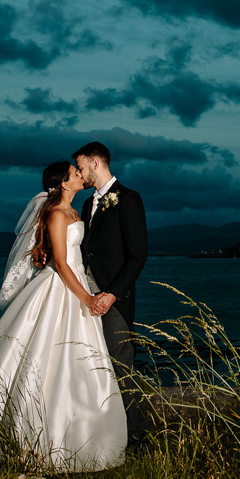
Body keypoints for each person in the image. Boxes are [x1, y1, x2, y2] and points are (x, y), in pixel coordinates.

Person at [0, 161, 126, 471]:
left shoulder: (75, 211)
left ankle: (81, 436)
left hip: (74, 284)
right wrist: (86, 297)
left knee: (76, 362)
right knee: (41, 359)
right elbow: (61, 264)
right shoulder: (58, 214)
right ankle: (34, 439)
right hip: (61, 289)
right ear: (62, 183)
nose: (79, 174)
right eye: (75, 172)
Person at [72, 141, 148, 450]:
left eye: (80, 166)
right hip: (85, 297)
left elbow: (137, 255)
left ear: (95, 163)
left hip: (114, 301)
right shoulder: (89, 204)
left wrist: (112, 295)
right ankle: (103, 435)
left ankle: (138, 439)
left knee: (122, 368)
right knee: (91, 366)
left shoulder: (128, 199)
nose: (79, 172)